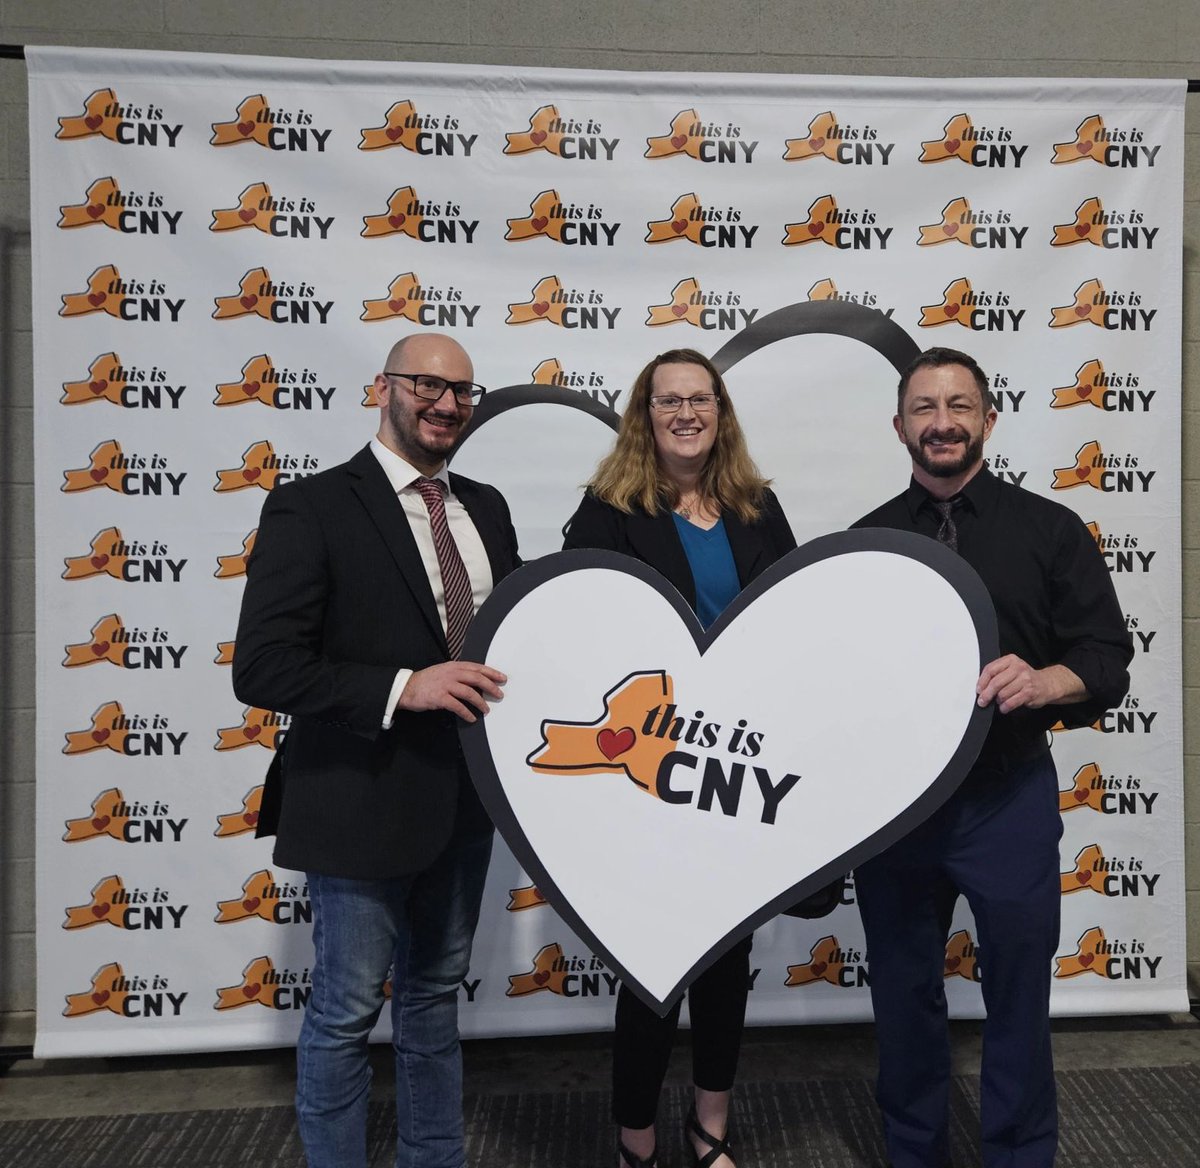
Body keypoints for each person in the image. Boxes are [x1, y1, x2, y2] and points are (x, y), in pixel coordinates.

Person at [232, 333, 520, 1168]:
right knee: (346, 1011)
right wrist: (404, 686)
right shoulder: (311, 505)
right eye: (427, 384)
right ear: (383, 388)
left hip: (465, 802)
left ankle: (435, 1158)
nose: (446, 404)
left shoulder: (488, 507)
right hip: (355, 801)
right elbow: (264, 665)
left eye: (463, 391)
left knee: (433, 999)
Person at [852, 346, 1133, 1168]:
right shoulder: (865, 542)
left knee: (1017, 992)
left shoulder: (1051, 530)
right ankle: (912, 1151)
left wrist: (1046, 680)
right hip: (896, 813)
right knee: (902, 994)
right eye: (925, 408)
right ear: (900, 425)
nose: (942, 423)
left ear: (989, 420)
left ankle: (1019, 1154)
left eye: (960, 406)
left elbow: (1106, 655)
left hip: (1006, 799)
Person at [563, 349, 796, 1168]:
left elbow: (792, 627)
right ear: (645, 414)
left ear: (721, 413)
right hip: (647, 779)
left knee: (727, 962)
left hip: (733, 772)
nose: (686, 413)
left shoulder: (759, 508)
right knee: (650, 966)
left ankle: (710, 1129)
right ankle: (635, 1139)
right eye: (669, 401)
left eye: (701, 399)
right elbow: (579, 634)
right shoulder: (607, 510)